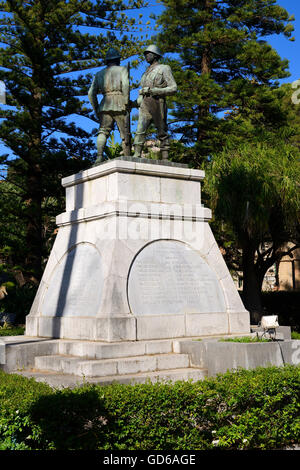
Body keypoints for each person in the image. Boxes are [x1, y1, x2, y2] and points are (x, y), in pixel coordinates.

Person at [133, 45, 177, 160]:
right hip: (145, 103)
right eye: (145, 54)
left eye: (149, 53)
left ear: (156, 55)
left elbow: (173, 88)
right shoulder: (145, 73)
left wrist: (156, 91)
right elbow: (141, 90)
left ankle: (165, 157)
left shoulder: (164, 68)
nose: (146, 56)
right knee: (140, 130)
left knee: (162, 130)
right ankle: (137, 154)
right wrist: (138, 100)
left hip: (158, 102)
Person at [88, 48, 130, 165]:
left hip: (104, 104)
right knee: (124, 132)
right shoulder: (122, 70)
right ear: (117, 59)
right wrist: (126, 102)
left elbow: (90, 93)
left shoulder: (98, 74)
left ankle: (99, 157)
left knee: (103, 131)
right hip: (120, 102)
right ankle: (127, 155)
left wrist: (96, 108)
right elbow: (126, 85)